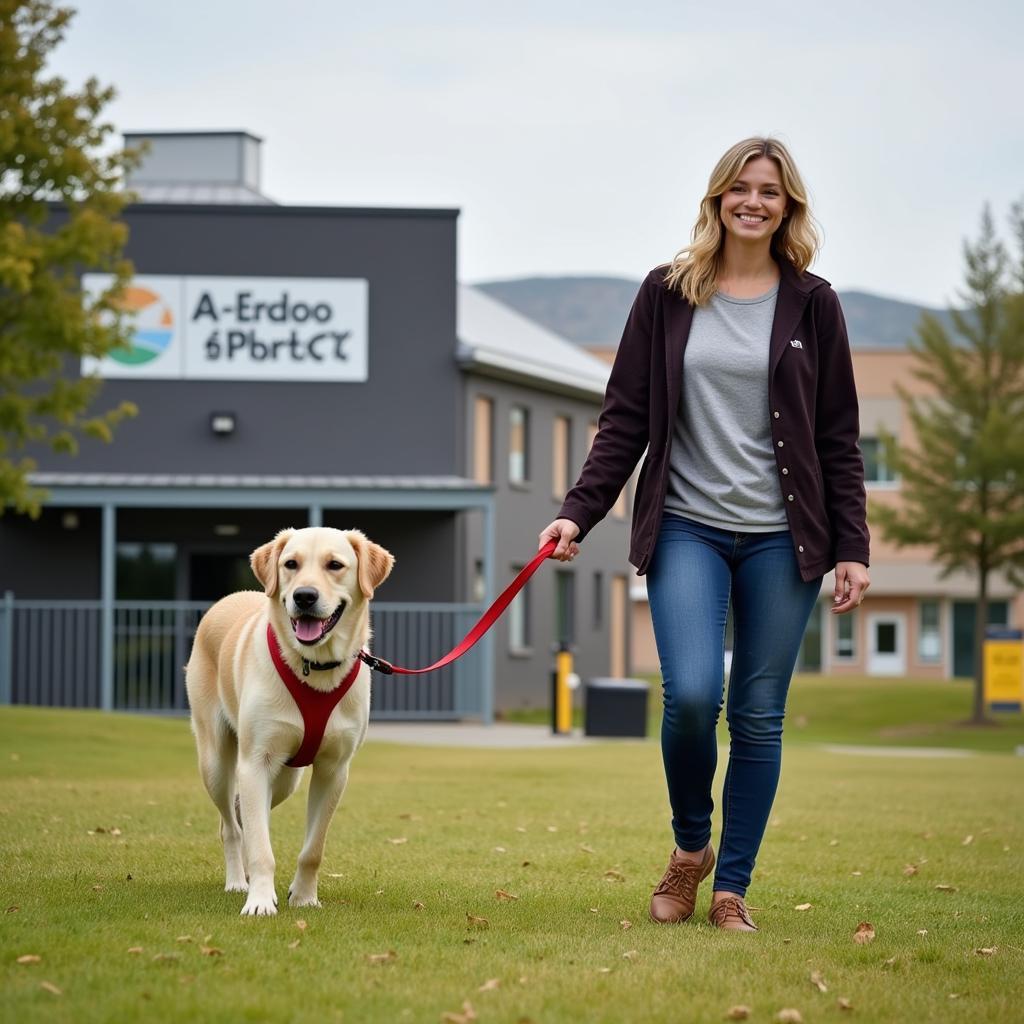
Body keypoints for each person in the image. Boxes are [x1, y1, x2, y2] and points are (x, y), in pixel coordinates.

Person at [539, 137, 870, 932]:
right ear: (718, 197)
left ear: (787, 206)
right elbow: (624, 417)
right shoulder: (668, 293)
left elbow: (838, 436)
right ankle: (692, 848)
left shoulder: (813, 304)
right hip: (687, 524)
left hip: (783, 540)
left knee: (758, 713)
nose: (753, 202)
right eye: (741, 188)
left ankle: (732, 891)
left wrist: (852, 545)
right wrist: (578, 509)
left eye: (770, 192)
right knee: (691, 695)